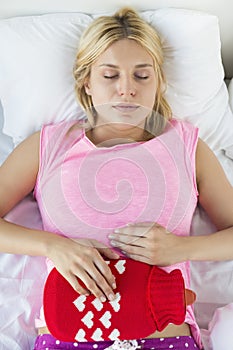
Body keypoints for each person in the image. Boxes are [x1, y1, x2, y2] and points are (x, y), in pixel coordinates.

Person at [0, 6, 233, 350]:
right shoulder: (47, 146)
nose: (127, 90)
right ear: (87, 82)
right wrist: (53, 246)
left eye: (142, 76)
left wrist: (182, 249)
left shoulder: (187, 146)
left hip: (164, 341)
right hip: (67, 339)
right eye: (110, 76)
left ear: (159, 82)